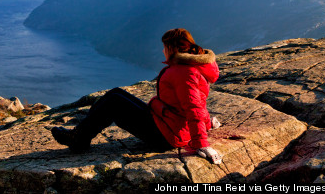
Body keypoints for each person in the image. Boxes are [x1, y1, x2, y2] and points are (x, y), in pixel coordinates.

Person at [50, 28, 223, 164]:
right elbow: (194, 101)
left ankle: (78, 139)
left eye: (164, 47)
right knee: (115, 94)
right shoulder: (191, 67)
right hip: (167, 124)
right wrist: (208, 122)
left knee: (113, 101)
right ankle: (80, 135)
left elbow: (194, 107)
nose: (162, 50)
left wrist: (202, 144)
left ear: (173, 48)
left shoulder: (183, 72)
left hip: (165, 136)